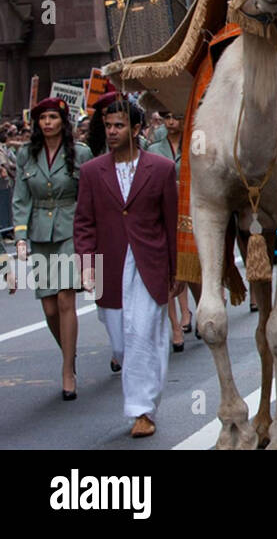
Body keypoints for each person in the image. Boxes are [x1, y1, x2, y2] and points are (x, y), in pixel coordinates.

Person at [73, 95, 180, 438]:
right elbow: (84, 222)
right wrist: (87, 264)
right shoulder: (91, 171)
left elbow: (172, 222)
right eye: (108, 126)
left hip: (150, 262)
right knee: (121, 342)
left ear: (136, 129)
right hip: (110, 265)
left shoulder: (162, 169)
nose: (112, 131)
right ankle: (141, 401)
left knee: (144, 336)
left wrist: (177, 270)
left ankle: (143, 411)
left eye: (119, 125)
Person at [11, 97, 93, 399]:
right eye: (42, 118)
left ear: (63, 121)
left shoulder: (80, 153)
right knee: (48, 307)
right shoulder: (26, 155)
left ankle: (67, 370)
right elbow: (21, 196)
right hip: (39, 231)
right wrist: (20, 236)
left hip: (71, 227)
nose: (47, 123)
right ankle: (69, 354)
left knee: (64, 298)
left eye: (52, 118)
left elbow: (89, 194)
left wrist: (91, 233)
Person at [147, 110, 190, 351]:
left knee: (191, 269)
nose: (172, 121)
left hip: (190, 209)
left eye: (177, 116)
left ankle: (197, 308)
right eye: (167, 117)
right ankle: (175, 325)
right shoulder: (153, 149)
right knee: (167, 270)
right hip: (163, 213)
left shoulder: (196, 143)